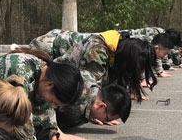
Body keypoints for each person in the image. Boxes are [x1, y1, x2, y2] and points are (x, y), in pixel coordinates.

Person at [19, 29, 156, 100]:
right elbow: (91, 88)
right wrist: (100, 110)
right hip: (49, 52)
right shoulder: (98, 51)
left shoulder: (117, 51)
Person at [55, 72, 132, 130]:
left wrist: (92, 115)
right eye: (106, 119)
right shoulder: (77, 100)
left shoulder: (90, 79)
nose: (104, 121)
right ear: (101, 106)